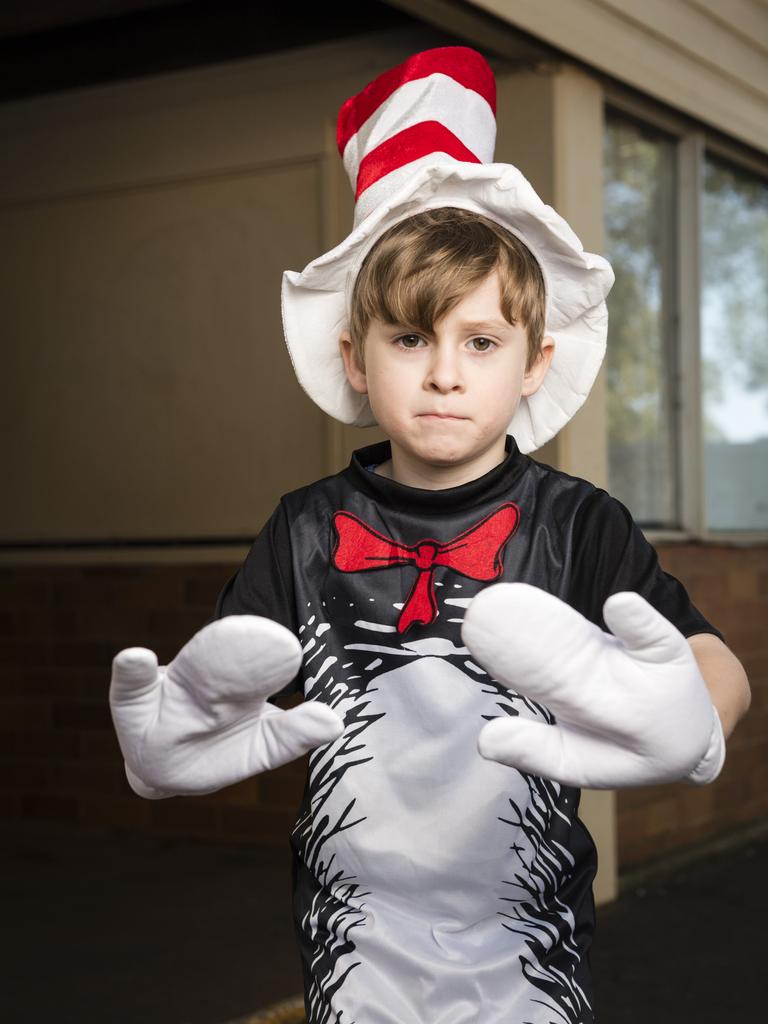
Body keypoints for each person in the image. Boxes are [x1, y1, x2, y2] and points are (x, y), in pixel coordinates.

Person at [109, 47, 750, 1024]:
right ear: (354, 357)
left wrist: (696, 722)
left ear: (534, 362)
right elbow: (225, 689)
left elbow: (719, 663)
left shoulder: (581, 524)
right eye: (411, 338)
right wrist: (168, 745)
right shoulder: (304, 530)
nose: (445, 373)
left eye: (479, 342)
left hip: (529, 949)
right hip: (354, 944)